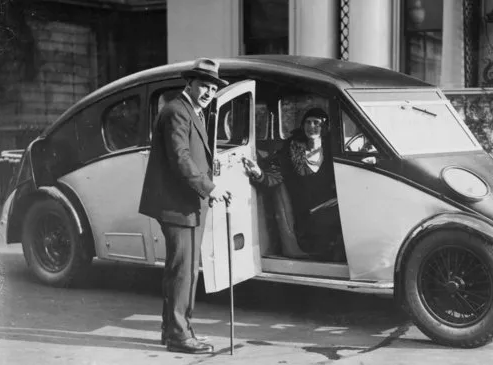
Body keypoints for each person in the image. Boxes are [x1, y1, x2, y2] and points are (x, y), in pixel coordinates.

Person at [139, 58, 231, 354]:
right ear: (189, 83)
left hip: (185, 204)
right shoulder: (178, 111)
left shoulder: (191, 111)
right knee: (184, 272)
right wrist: (209, 188)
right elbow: (181, 158)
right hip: (180, 205)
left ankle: (172, 330)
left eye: (213, 87)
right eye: (203, 85)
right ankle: (180, 335)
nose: (208, 92)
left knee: (179, 270)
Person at [243, 107, 345, 261]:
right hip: (308, 214)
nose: (312, 127)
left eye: (317, 123)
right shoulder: (291, 150)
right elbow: (276, 177)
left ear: (325, 127)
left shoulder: (333, 150)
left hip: (331, 204)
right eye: (308, 122)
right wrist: (259, 174)